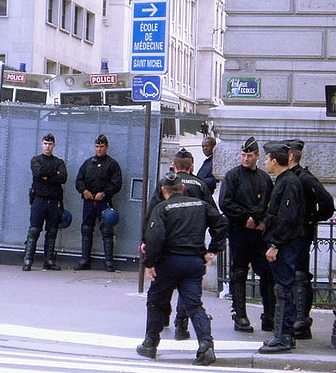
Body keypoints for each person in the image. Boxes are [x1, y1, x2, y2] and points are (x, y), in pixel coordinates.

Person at [137, 171, 228, 366]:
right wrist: (212, 250)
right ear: (183, 188)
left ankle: (151, 342)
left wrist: (149, 263)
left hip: (168, 262)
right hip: (193, 263)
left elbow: (155, 237)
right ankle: (206, 345)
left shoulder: (162, 208)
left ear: (163, 190)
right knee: (194, 305)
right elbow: (221, 223)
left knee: (156, 301)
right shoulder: (200, 205)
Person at [141, 148, 217, 340]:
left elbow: (152, 217)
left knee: (158, 294)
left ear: (174, 167)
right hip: (193, 249)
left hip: (168, 251)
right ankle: (182, 325)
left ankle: (153, 337)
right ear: (192, 167)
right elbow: (217, 218)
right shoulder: (200, 185)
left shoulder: (164, 185)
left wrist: (146, 246)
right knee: (190, 296)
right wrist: (212, 250)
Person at [219, 137, 275, 333]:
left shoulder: (264, 178)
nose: (245, 159)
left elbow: (271, 204)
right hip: (240, 231)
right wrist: (245, 218)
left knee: (268, 273)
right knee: (239, 273)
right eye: (243, 155)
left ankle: (269, 315)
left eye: (249, 155)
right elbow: (225, 202)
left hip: (259, 233)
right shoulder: (232, 176)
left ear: (257, 156)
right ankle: (240, 315)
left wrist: (263, 221)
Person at [258, 142, 305, 353]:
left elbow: (287, 218)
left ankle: (284, 336)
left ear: (275, 161)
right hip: (284, 243)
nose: (265, 162)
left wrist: (275, 244)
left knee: (284, 289)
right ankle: (283, 335)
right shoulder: (284, 181)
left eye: (267, 158)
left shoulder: (289, 183)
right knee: (283, 288)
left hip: (285, 245)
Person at [286, 139, 334, 339]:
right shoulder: (289, 176)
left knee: (299, 276)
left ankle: (301, 321)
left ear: (290, 156)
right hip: (291, 234)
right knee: (293, 275)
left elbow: (327, 202)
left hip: (301, 235)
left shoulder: (304, 177)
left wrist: (312, 218)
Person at [74, 134, 122, 272]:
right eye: (97, 146)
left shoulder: (112, 164)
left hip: (104, 202)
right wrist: (83, 191)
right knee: (86, 229)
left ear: (106, 147)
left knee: (107, 231)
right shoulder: (88, 163)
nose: (99, 149)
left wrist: (105, 193)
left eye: (101, 146)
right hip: (89, 202)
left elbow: (116, 183)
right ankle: (84, 261)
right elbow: (79, 180)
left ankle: (109, 262)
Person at [22, 133, 67, 271]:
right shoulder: (36, 160)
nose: (47, 146)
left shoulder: (59, 162)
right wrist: (53, 174)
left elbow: (63, 178)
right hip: (39, 199)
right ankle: (28, 260)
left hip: (54, 201)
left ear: (54, 145)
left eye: (50, 144)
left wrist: (47, 176)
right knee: (34, 230)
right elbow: (38, 173)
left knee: (52, 231)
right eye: (45, 143)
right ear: (41, 144)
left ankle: (48, 261)